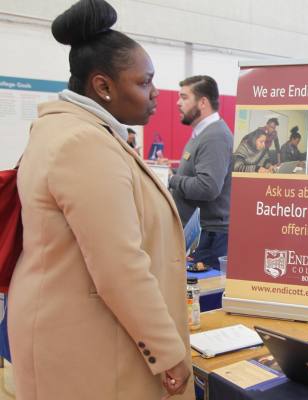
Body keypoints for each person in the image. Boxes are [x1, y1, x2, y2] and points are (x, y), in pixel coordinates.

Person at [8, 1, 193, 399]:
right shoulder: (83, 142)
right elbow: (119, 266)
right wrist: (168, 351)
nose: (155, 94)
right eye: (144, 83)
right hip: (84, 338)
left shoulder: (72, 130)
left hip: (74, 323)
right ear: (103, 86)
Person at [170, 75, 233, 269]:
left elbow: (208, 187)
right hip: (201, 236)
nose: (178, 103)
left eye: (184, 97)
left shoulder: (215, 136)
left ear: (203, 102)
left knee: (204, 298)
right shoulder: (203, 133)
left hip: (209, 238)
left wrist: (171, 180)